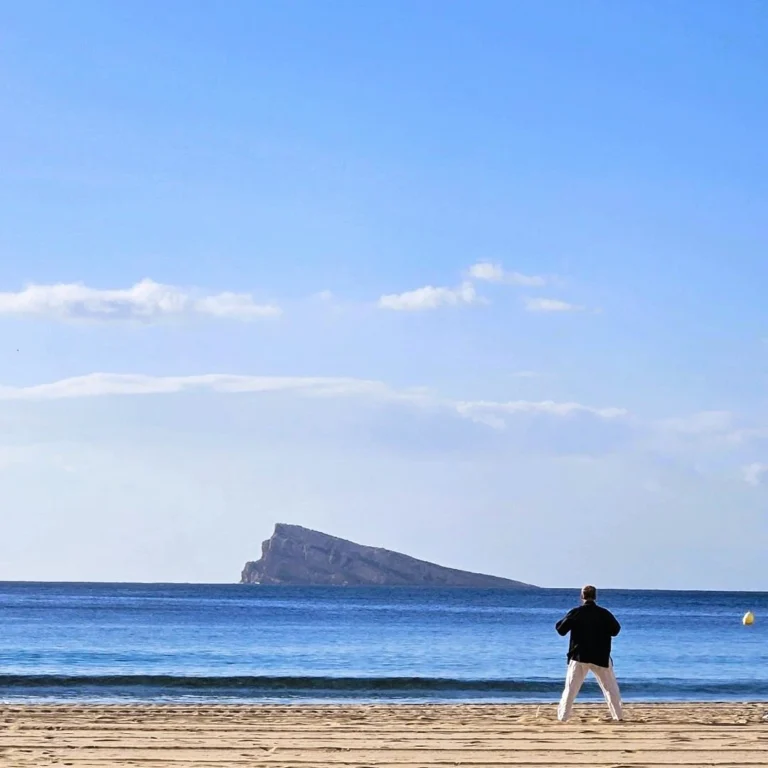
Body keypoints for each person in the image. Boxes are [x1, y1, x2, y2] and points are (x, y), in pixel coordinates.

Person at [555, 585, 623, 722]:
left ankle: (563, 717)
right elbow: (616, 630)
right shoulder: (604, 613)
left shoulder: (576, 612)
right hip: (601, 655)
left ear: (582, 597)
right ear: (595, 597)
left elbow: (561, 630)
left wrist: (565, 620)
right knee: (610, 688)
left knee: (571, 689)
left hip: (580, 655)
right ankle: (618, 716)